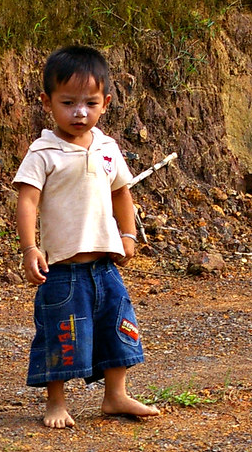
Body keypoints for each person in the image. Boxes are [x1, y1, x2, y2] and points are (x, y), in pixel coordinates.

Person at [12, 45, 160, 429]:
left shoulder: (108, 148)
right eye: (68, 103)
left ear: (106, 102)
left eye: (90, 103)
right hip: (61, 269)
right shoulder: (43, 152)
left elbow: (120, 193)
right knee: (61, 333)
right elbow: (27, 201)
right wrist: (30, 248)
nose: (80, 112)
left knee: (117, 326)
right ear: (47, 102)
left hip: (105, 265)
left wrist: (127, 234)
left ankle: (116, 396)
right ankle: (56, 402)